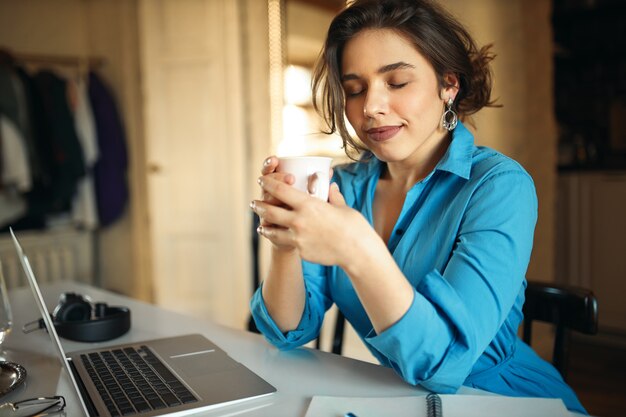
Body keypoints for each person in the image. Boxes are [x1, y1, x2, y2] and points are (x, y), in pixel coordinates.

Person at [249, 0, 586, 414]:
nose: (370, 107)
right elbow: (286, 331)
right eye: (354, 89)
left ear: (449, 84)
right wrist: (286, 242)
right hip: (402, 400)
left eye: (396, 82)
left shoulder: (498, 187)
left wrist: (358, 249)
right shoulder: (345, 187)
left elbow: (442, 365)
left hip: (501, 400)